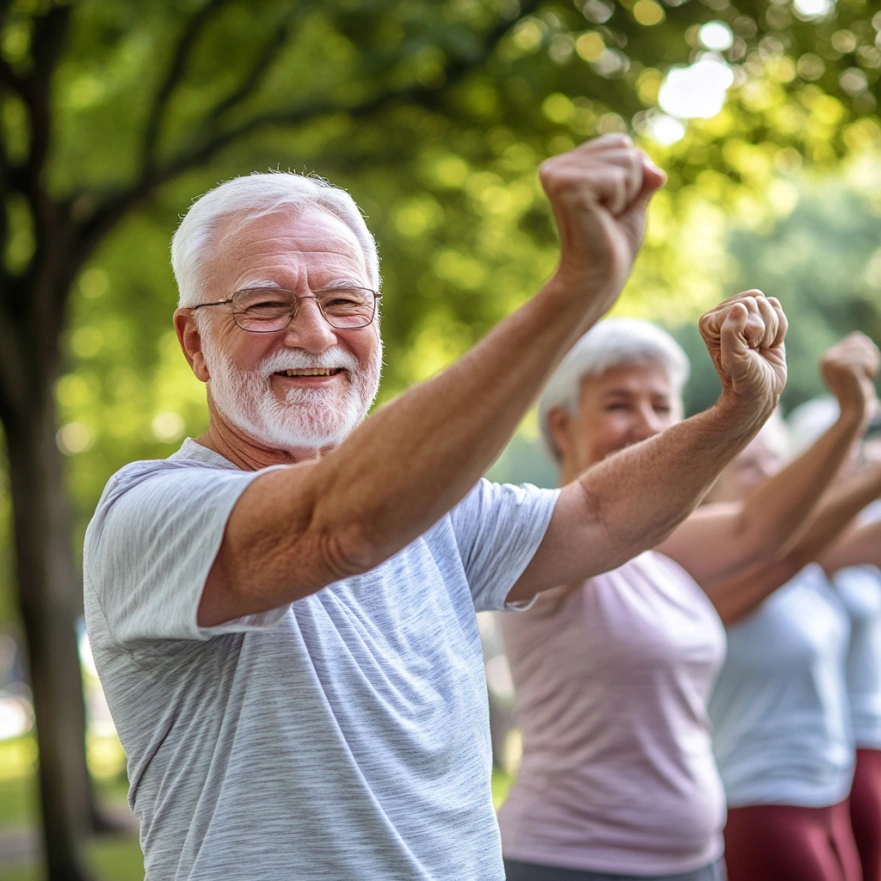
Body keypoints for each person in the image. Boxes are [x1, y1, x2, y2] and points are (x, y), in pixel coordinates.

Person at [84, 136, 788, 881]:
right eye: (265, 305)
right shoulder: (148, 509)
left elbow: (597, 519)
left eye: (345, 300)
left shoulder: (432, 507)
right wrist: (573, 293)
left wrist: (734, 415)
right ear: (195, 342)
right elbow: (338, 527)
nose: (316, 333)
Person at [497, 324, 877, 881]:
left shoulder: (657, 549)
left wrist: (849, 416)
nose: (646, 423)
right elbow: (759, 532)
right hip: (573, 862)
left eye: (661, 404)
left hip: (691, 861)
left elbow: (762, 531)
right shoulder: (548, 540)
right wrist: (743, 409)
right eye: (619, 404)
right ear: (562, 424)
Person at [705, 350, 881, 881]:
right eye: (747, 464)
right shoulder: (726, 571)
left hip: (827, 791)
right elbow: (786, 549)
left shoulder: (802, 559)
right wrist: (858, 429)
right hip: (761, 800)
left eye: (774, 459)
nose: (767, 473)